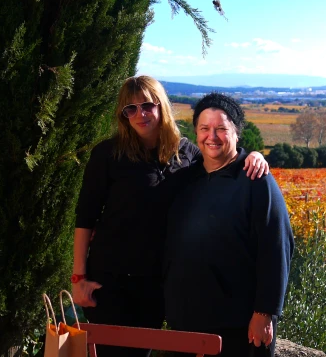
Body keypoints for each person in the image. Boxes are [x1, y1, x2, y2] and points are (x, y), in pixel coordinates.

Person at [72, 77, 269, 357]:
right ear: (123, 115)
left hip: (159, 283)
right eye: (130, 109)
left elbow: (223, 159)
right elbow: (85, 217)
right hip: (110, 282)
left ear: (161, 106)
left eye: (146, 106)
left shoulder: (188, 153)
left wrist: (253, 155)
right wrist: (78, 278)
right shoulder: (108, 154)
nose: (140, 114)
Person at [164, 93, 294, 357]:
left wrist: (264, 313)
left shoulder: (256, 180)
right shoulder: (185, 179)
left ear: (236, 134)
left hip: (239, 326)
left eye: (221, 129)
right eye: (204, 128)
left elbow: (276, 247)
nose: (211, 136)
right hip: (186, 322)